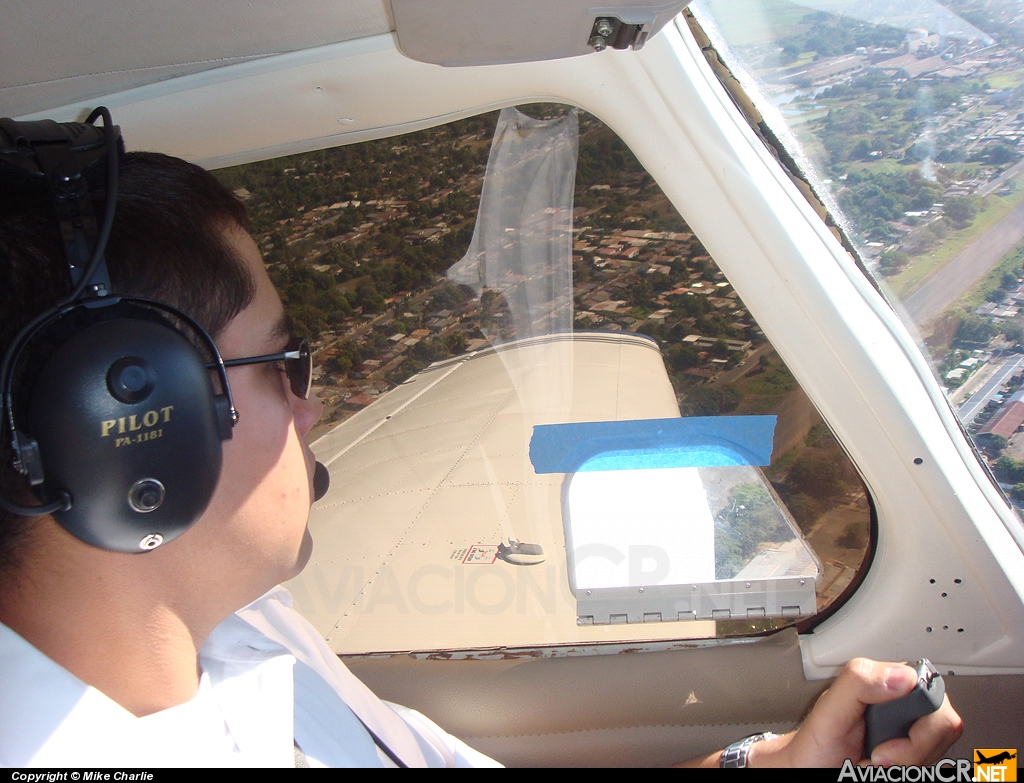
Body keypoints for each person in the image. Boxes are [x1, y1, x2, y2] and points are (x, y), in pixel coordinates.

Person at [0, 147, 962, 767]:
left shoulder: (248, 633)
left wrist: (766, 764)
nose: (315, 399)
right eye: (283, 363)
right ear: (131, 431)